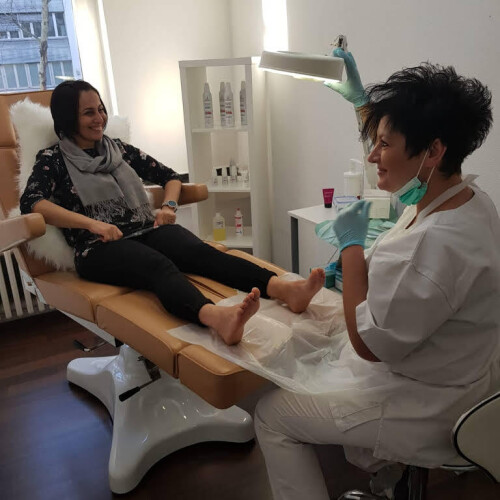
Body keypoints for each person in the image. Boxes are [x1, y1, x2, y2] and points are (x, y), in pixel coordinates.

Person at [254, 52, 500, 500]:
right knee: (306, 342)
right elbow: (400, 171)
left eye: (383, 144)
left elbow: (369, 346)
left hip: (427, 404)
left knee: (273, 413)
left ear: (434, 151)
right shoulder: (467, 198)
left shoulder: (431, 244)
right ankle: (389, 477)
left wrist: (351, 249)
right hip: (464, 372)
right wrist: (363, 104)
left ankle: (386, 464)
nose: (372, 155)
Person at [20, 80, 325, 346]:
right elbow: (32, 202)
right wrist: (93, 225)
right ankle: (217, 318)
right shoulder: (53, 159)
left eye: (101, 109)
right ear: (67, 118)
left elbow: (171, 177)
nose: (99, 118)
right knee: (158, 266)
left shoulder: (117, 150)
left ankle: (284, 289)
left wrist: (168, 206)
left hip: (145, 229)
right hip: (97, 247)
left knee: (201, 253)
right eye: (89, 112)